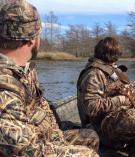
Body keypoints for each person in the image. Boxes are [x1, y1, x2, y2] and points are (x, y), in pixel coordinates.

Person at [0, 0, 99, 156]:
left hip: (41, 137)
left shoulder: (23, 70)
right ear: (33, 38)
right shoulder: (4, 86)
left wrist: (58, 140)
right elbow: (23, 150)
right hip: (30, 148)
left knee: (90, 136)